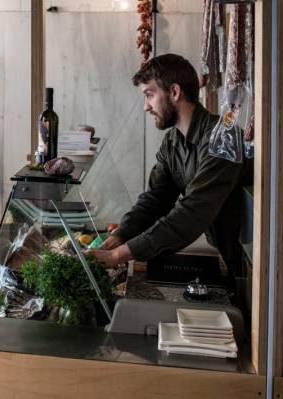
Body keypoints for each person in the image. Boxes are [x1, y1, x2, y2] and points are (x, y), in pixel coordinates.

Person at [89, 53, 252, 274]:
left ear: (174, 92)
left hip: (253, 264)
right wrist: (119, 237)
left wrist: (119, 255)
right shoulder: (173, 141)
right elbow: (155, 199)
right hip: (227, 256)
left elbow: (193, 212)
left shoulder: (224, 136)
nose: (146, 107)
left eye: (150, 95)